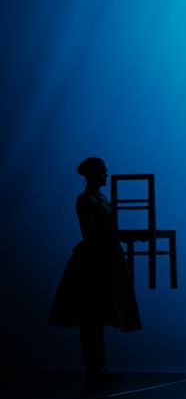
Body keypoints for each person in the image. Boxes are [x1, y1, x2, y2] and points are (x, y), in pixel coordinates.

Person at [49, 157, 142, 383]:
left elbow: (107, 229)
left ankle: (99, 366)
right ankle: (94, 367)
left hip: (105, 257)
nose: (106, 175)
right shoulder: (85, 199)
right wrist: (116, 235)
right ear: (93, 174)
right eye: (103, 172)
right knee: (91, 315)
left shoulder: (101, 198)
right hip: (93, 261)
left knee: (98, 316)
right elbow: (91, 233)